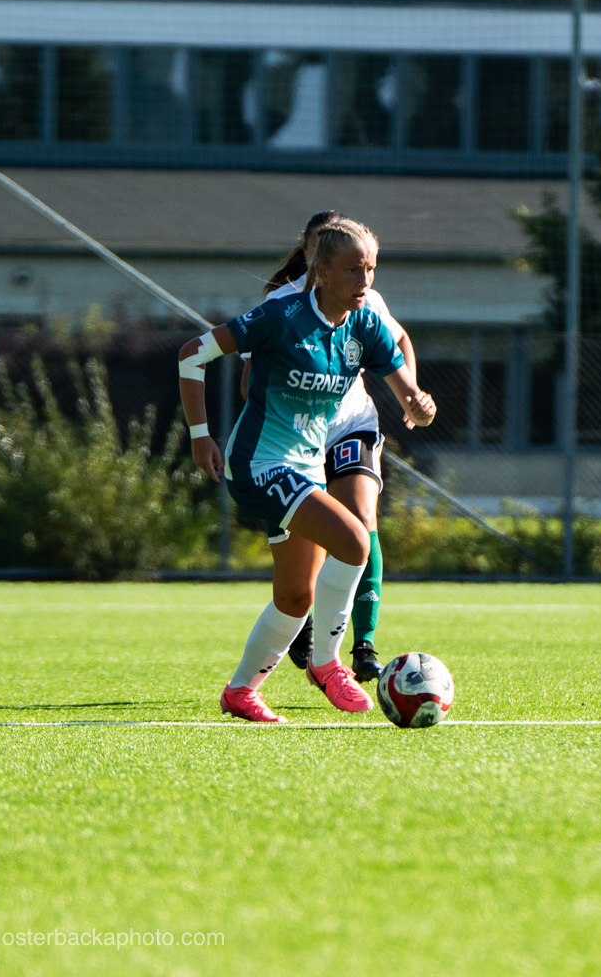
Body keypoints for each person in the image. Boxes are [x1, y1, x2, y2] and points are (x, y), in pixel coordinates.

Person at [179, 220, 436, 723]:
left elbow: (408, 392)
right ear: (322, 272)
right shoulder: (281, 315)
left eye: (370, 269)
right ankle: (327, 663)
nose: (364, 281)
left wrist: (420, 405)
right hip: (257, 465)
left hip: (305, 469)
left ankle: (240, 691)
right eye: (353, 270)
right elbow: (193, 354)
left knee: (296, 597)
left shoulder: (365, 325)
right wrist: (200, 436)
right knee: (355, 540)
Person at [242, 211, 419, 683]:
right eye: (325, 245)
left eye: (365, 265)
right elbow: (246, 379)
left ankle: (362, 646)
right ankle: (306, 625)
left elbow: (399, 339)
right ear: (312, 257)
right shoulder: (281, 305)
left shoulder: (366, 300)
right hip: (293, 440)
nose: (359, 274)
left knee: (362, 520)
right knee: (310, 558)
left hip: (350, 424)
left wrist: (413, 394)